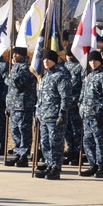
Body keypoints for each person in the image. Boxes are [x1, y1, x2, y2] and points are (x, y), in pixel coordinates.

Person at [34, 50, 71, 180]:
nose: (46, 61)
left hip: (55, 116)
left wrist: (62, 114)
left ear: (55, 61)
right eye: (44, 59)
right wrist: (38, 114)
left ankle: (56, 167)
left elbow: (65, 97)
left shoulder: (61, 76)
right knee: (45, 142)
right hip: (44, 115)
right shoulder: (46, 77)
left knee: (55, 143)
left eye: (49, 59)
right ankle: (49, 164)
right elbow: (40, 98)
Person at [79, 50, 103, 178]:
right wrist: (80, 107)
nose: (93, 63)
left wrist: (102, 112)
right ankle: (92, 165)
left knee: (100, 141)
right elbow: (83, 94)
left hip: (98, 115)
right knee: (87, 141)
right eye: (91, 61)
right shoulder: (89, 75)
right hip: (87, 115)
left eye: (95, 60)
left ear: (100, 61)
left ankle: (101, 166)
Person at [5, 47, 36, 168]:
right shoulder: (15, 67)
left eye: (16, 54)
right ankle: (17, 153)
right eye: (13, 54)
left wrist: (6, 78)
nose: (14, 56)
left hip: (24, 104)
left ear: (22, 55)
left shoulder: (26, 68)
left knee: (24, 130)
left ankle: (24, 155)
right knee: (15, 131)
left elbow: (17, 83)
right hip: (14, 104)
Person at [63, 47, 85, 165]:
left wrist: (80, 102)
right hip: (66, 104)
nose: (70, 57)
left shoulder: (81, 67)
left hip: (76, 104)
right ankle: (70, 151)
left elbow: (83, 86)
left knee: (77, 130)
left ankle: (78, 153)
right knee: (67, 130)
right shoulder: (62, 67)